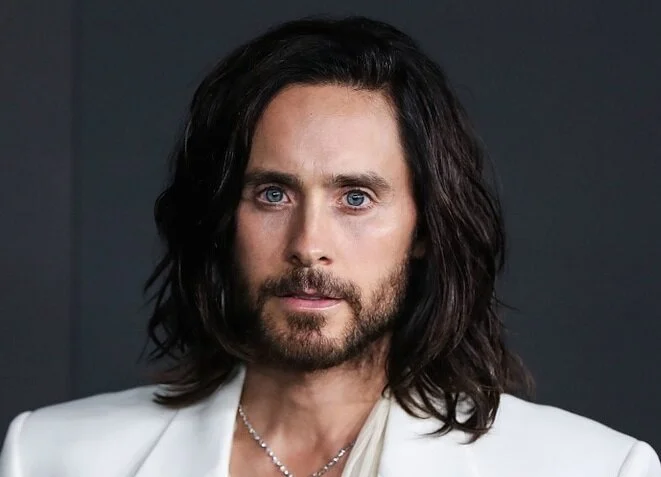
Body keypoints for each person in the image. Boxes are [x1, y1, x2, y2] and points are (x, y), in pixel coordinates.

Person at [1, 15, 659, 477]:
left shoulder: (594, 469)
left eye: (356, 197)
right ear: (221, 217)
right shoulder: (50, 457)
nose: (308, 244)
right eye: (273, 194)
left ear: (425, 228)